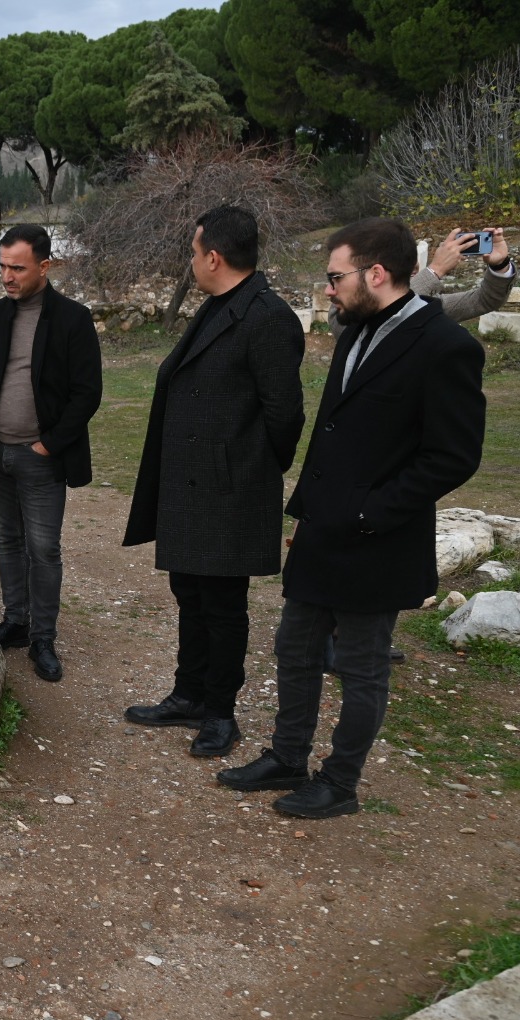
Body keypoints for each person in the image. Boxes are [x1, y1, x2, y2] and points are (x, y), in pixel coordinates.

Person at [218, 218, 485, 818]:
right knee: (294, 646)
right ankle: (287, 757)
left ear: (376, 273)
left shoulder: (447, 347)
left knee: (362, 667)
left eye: (337, 277)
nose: (330, 289)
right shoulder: (355, 332)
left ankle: (339, 784)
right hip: (323, 532)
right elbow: (335, 434)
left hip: (379, 539)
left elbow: (453, 456)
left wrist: (370, 512)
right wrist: (310, 512)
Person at [120, 206, 307, 759]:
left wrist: (247, 469)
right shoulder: (218, 307)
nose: (191, 261)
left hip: (230, 488)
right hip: (191, 485)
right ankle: (190, 694)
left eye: (194, 251)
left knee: (223, 604)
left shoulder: (267, 317)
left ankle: (220, 712)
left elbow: (285, 416)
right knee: (191, 592)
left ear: (214, 257)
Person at [0, 224, 102, 682]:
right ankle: (16, 621)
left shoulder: (73, 319)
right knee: (7, 542)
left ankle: (44, 638)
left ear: (44, 266)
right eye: (2, 266)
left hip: (41, 458)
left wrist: (48, 444)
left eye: (17, 267)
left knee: (44, 548)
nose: (7, 276)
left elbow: (87, 393)